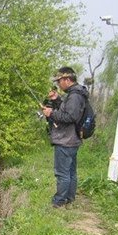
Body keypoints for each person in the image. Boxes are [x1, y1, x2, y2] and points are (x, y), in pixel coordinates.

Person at [42, 66, 87, 208]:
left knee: (62, 173)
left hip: (66, 140)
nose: (58, 84)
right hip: (72, 140)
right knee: (70, 172)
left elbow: (70, 116)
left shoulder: (74, 96)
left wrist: (51, 113)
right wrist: (57, 100)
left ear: (67, 79)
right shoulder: (76, 94)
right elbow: (67, 110)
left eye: (59, 80)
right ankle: (69, 198)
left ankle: (59, 201)